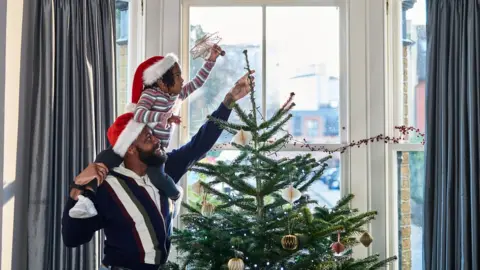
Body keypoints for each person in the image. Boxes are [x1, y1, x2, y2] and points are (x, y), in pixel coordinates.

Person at [62, 71, 255, 270]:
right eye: (148, 138)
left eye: (152, 135)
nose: (156, 140)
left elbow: (200, 144)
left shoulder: (164, 170)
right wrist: (77, 187)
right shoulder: (107, 186)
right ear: (130, 149)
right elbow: (72, 237)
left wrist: (229, 101)